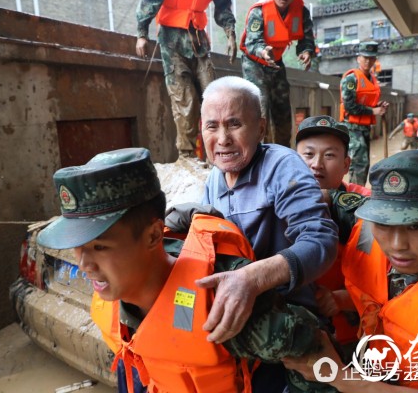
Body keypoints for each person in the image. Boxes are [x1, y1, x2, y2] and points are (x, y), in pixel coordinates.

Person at [35, 148, 326, 393]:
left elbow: (314, 349)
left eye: (100, 247)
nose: (84, 265)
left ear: (152, 236)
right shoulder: (113, 295)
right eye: (79, 246)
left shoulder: (223, 310)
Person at [283, 150, 418, 392]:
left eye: (416, 226)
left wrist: (339, 377)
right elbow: (332, 199)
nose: (397, 245)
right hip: (374, 361)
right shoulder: (366, 222)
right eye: (384, 223)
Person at [198, 76, 339, 391]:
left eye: (234, 124)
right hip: (243, 332)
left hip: (288, 332)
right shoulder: (213, 181)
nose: (223, 139)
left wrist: (252, 279)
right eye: (212, 126)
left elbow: (320, 240)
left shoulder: (282, 167)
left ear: (260, 128)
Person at [294, 115, 369, 352]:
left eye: (329, 155)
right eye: (308, 154)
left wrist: (343, 299)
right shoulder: (276, 204)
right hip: (295, 334)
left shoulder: (366, 207)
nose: (317, 164)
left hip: (354, 337)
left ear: (346, 165)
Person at [135, 0, 237, 158]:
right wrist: (142, 33)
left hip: (198, 38)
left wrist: (230, 32)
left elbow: (223, 4)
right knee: (185, 101)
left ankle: (217, 155)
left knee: (214, 98)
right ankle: (187, 155)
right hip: (171, 39)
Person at [240, 0, 316, 147]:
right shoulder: (259, 11)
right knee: (259, 107)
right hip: (254, 63)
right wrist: (263, 51)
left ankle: (283, 152)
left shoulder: (301, 11)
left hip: (276, 62)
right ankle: (256, 153)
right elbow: (252, 42)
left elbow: (306, 39)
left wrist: (306, 52)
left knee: (283, 109)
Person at [339, 40, 388, 186]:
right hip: (352, 127)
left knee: (363, 164)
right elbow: (349, 106)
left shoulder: (372, 78)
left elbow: (366, 100)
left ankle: (358, 192)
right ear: (358, 58)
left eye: (371, 58)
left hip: (364, 128)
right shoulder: (351, 79)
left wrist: (378, 106)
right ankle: (354, 197)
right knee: (359, 163)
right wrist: (373, 111)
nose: (368, 61)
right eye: (365, 57)